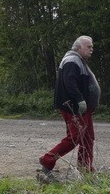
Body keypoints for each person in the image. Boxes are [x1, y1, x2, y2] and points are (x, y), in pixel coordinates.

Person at [39, 36, 101, 180]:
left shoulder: (78, 60)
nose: (92, 49)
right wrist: (80, 100)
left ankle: (85, 168)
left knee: (88, 138)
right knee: (75, 137)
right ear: (78, 48)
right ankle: (48, 159)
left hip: (83, 109)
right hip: (74, 107)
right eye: (89, 47)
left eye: (92, 47)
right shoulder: (72, 61)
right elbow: (69, 82)